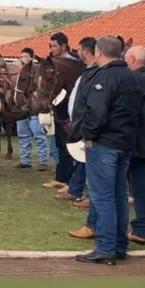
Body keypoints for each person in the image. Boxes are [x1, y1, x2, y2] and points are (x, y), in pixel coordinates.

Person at [70, 45, 145, 245]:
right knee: (135, 190)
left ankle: (99, 233)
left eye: (128, 58)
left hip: (121, 143)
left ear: (133, 59)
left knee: (105, 192)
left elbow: (105, 112)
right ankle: (139, 230)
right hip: (140, 144)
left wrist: (88, 134)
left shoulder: (127, 80)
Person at [69, 36, 140, 265]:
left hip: (104, 143)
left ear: (98, 52)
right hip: (125, 142)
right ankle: (119, 245)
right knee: (119, 196)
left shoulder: (104, 76)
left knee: (102, 198)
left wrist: (88, 135)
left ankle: (106, 248)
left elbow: (97, 112)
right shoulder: (131, 76)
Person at [55, 37, 98, 204]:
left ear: (87, 51)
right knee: (81, 159)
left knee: (88, 159)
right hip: (79, 122)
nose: (77, 52)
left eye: (80, 50)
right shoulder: (87, 70)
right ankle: (75, 189)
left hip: (88, 123)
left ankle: (86, 194)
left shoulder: (95, 72)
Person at [44, 31, 81, 191]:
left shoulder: (73, 63)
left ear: (64, 46)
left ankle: (70, 180)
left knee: (68, 143)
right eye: (50, 46)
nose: (52, 49)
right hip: (58, 105)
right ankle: (60, 177)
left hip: (69, 106)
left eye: (54, 46)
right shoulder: (53, 62)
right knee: (59, 143)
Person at [15, 47, 50, 171]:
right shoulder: (20, 71)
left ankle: (43, 161)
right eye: (21, 56)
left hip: (34, 106)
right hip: (22, 105)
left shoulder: (37, 71)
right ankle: (25, 160)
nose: (22, 59)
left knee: (39, 134)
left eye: (25, 56)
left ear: (31, 57)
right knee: (23, 133)